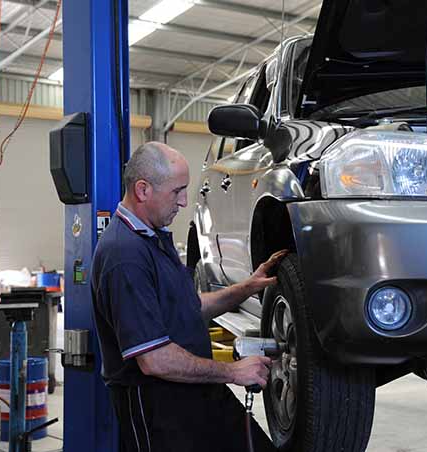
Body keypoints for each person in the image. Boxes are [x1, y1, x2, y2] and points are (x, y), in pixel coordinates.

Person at [92, 141, 285, 452]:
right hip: (160, 410)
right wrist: (233, 371)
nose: (184, 202)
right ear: (143, 190)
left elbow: (190, 308)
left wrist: (247, 287)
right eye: (177, 191)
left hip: (198, 389)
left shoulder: (153, 238)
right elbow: (154, 360)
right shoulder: (124, 255)